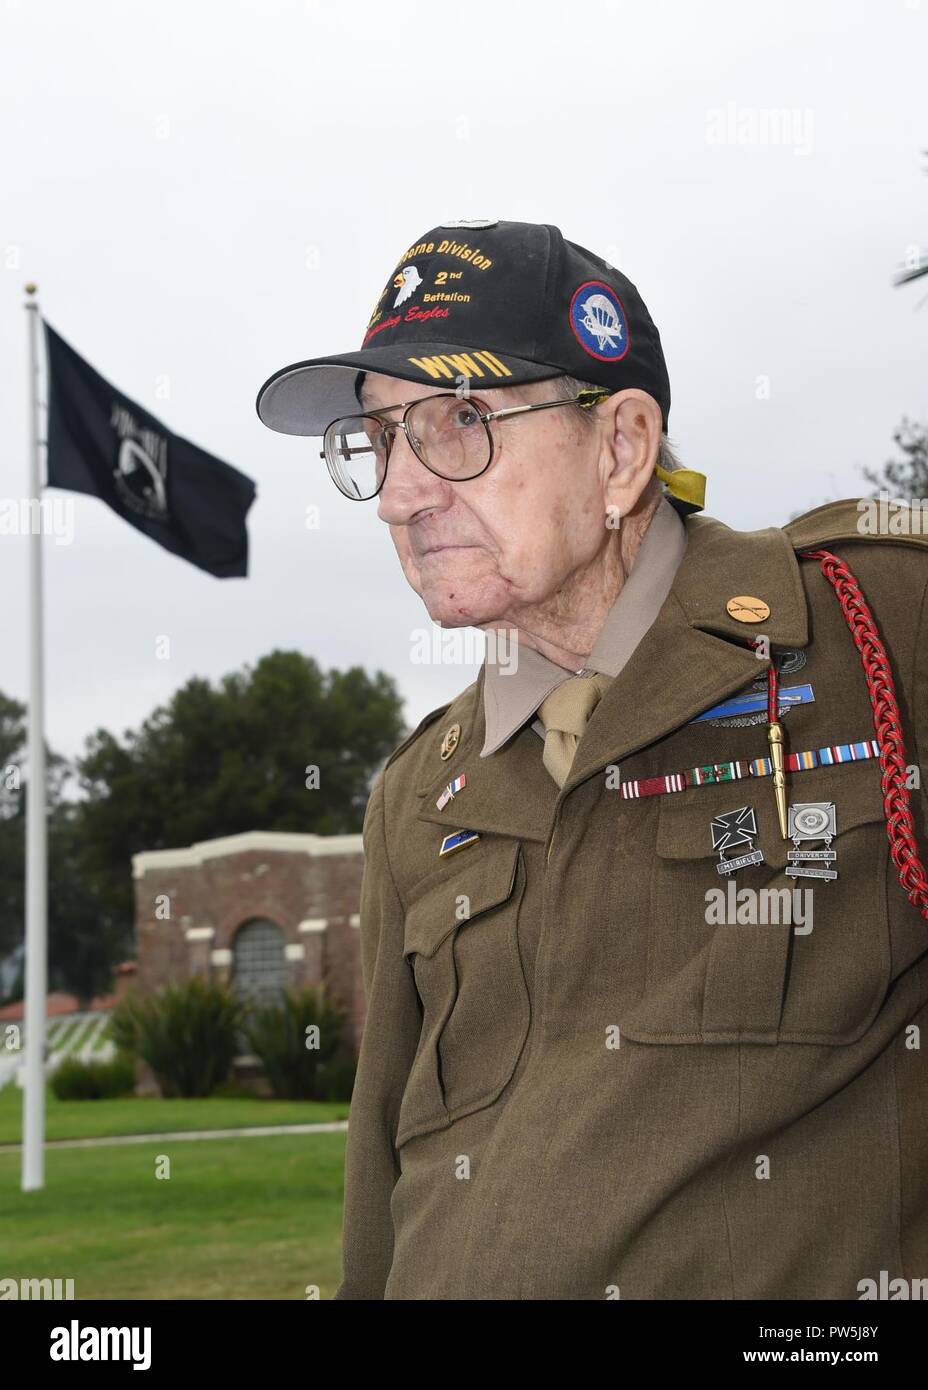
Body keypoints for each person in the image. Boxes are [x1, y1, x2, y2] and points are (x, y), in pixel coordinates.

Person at [256, 219, 928, 1300]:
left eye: (459, 421)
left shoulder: (874, 626)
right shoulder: (419, 794)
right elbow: (381, 1179)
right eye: (378, 439)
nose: (397, 493)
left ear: (619, 447)